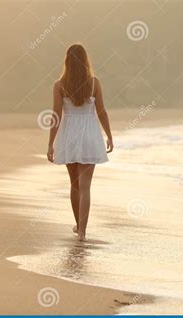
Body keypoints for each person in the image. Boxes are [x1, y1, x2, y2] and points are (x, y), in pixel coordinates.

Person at [47, 43, 113, 242]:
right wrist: (109, 135)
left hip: (69, 136)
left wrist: (51, 143)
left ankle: (79, 225)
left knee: (74, 185)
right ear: (85, 61)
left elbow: (56, 116)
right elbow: (101, 111)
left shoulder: (59, 85)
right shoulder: (94, 83)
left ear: (67, 61)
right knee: (85, 186)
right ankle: (82, 231)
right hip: (89, 135)